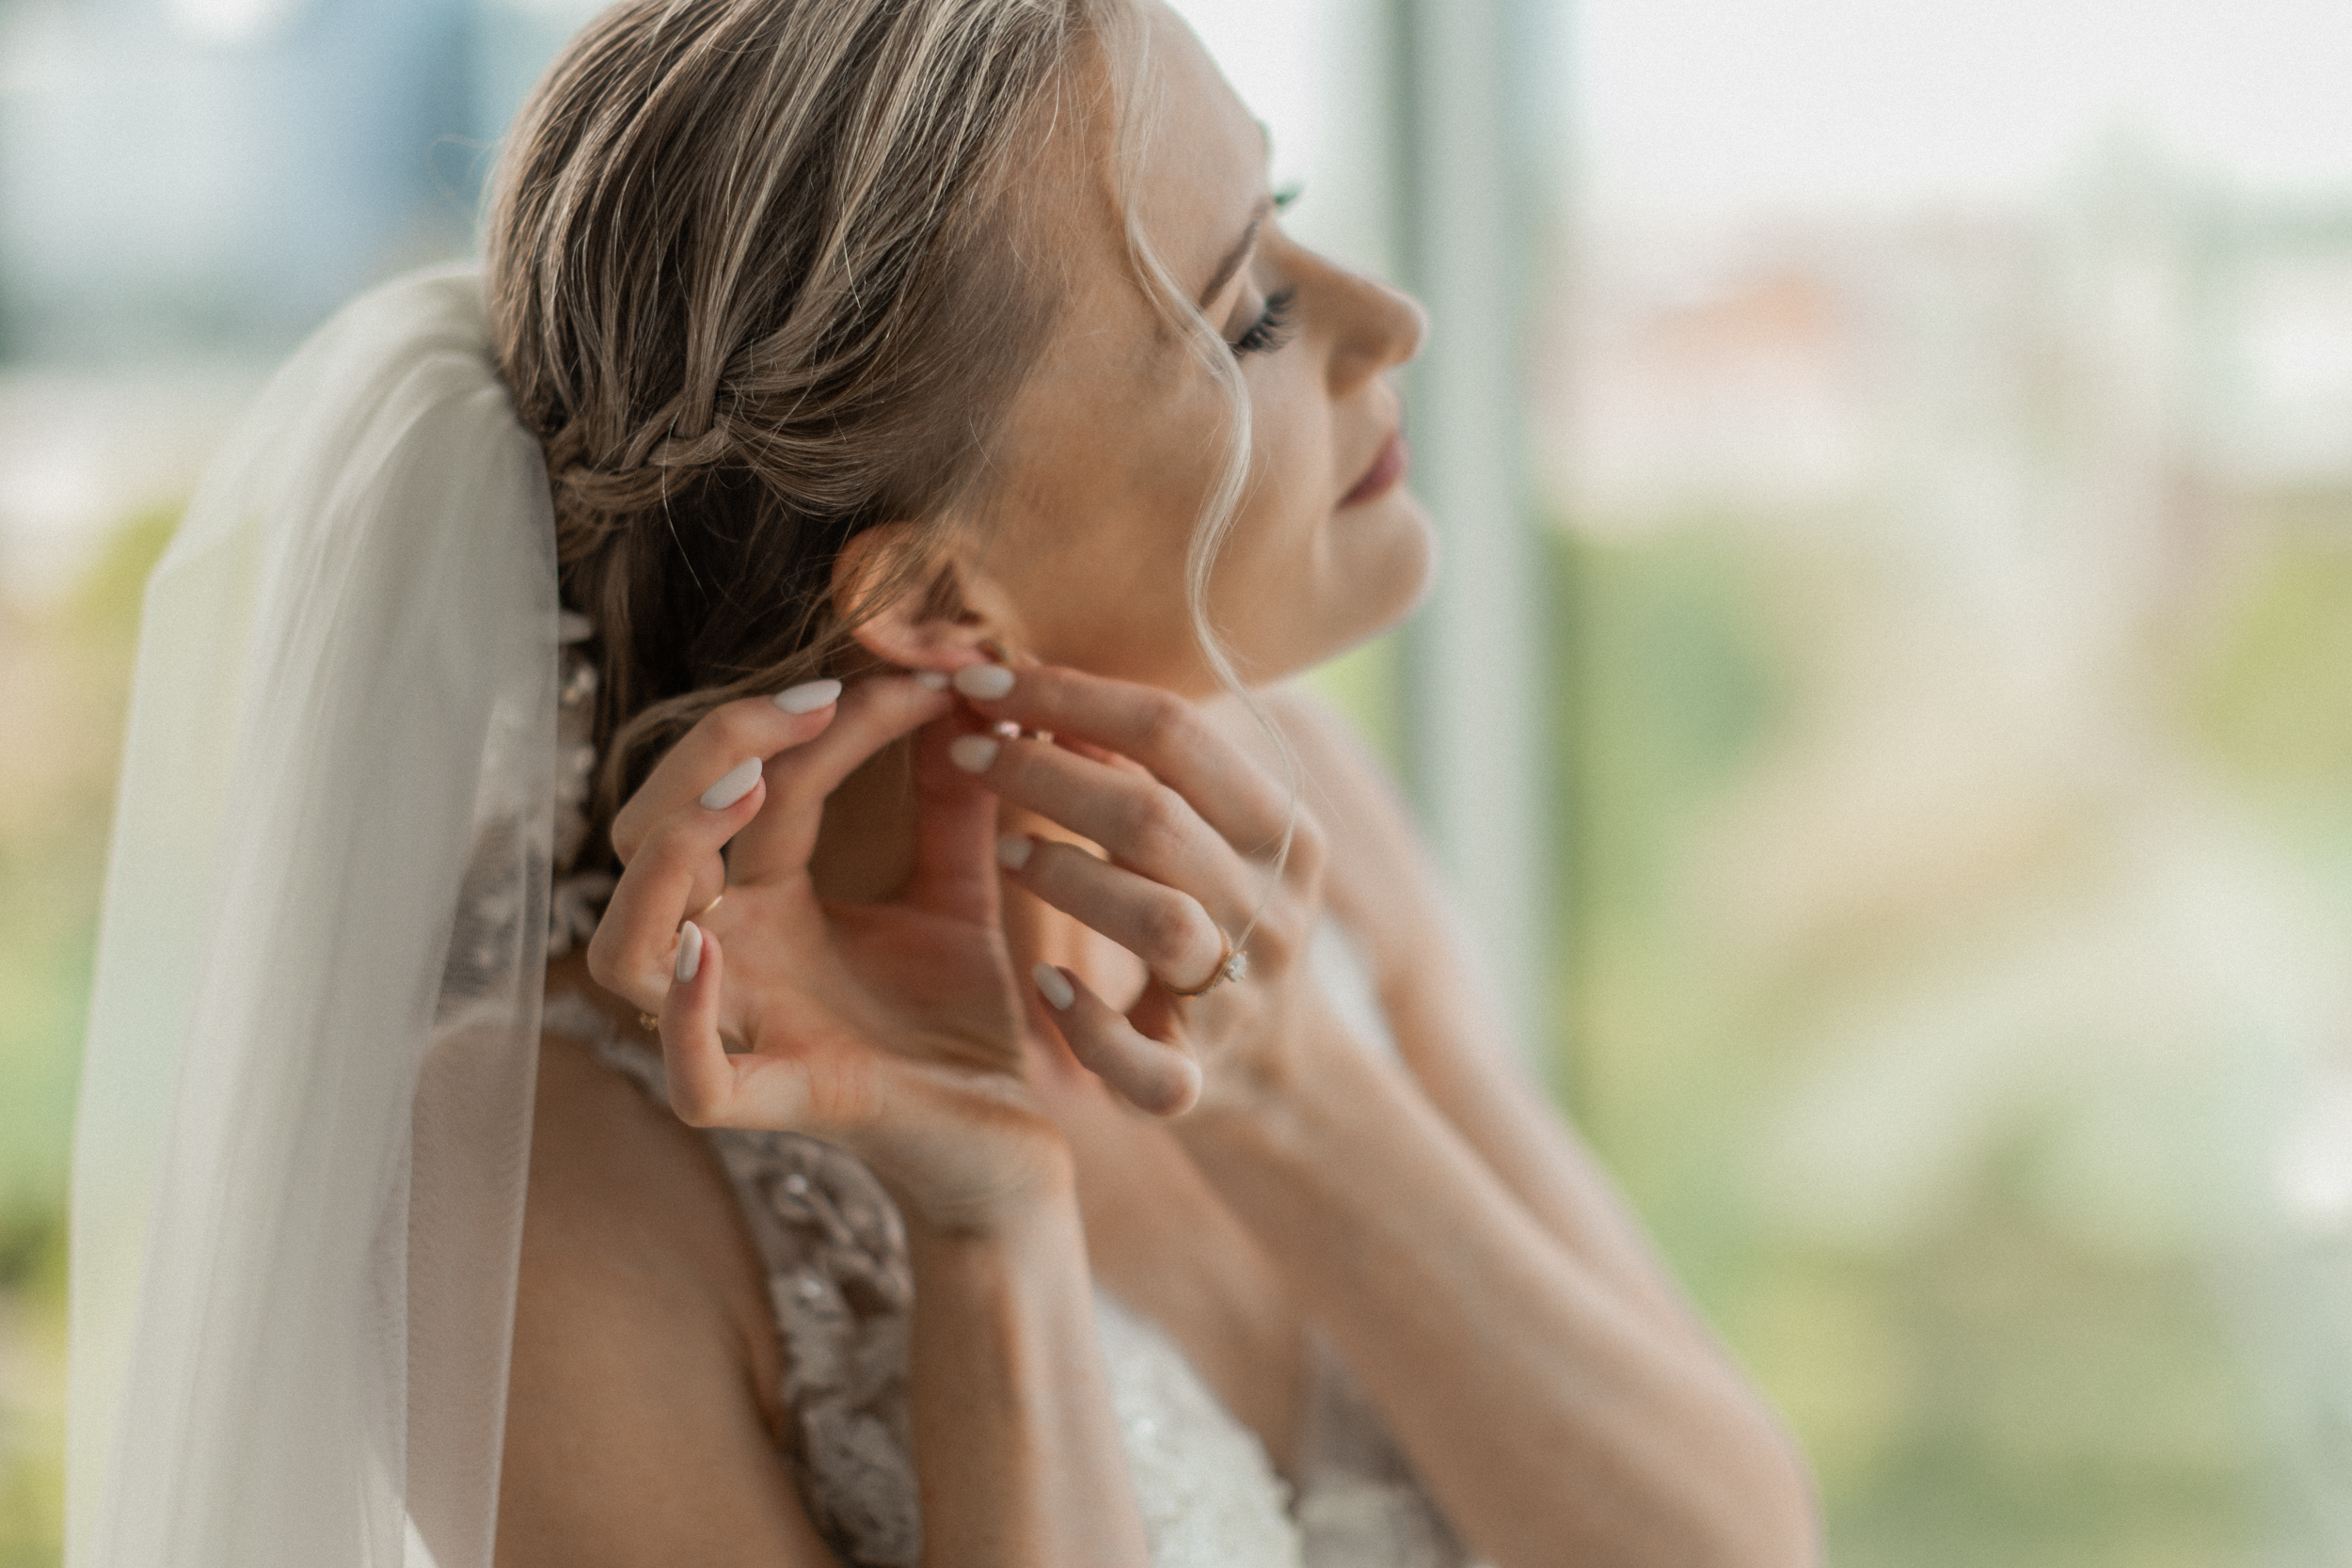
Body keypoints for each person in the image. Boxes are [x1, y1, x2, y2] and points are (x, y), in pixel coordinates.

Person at [68, 2, 1817, 1565]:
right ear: (924, 597)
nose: (1394, 318)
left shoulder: (1294, 810)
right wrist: (990, 1235)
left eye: (1283, 208)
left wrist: (1293, 1089)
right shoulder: (531, 1185)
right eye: (1254, 316)